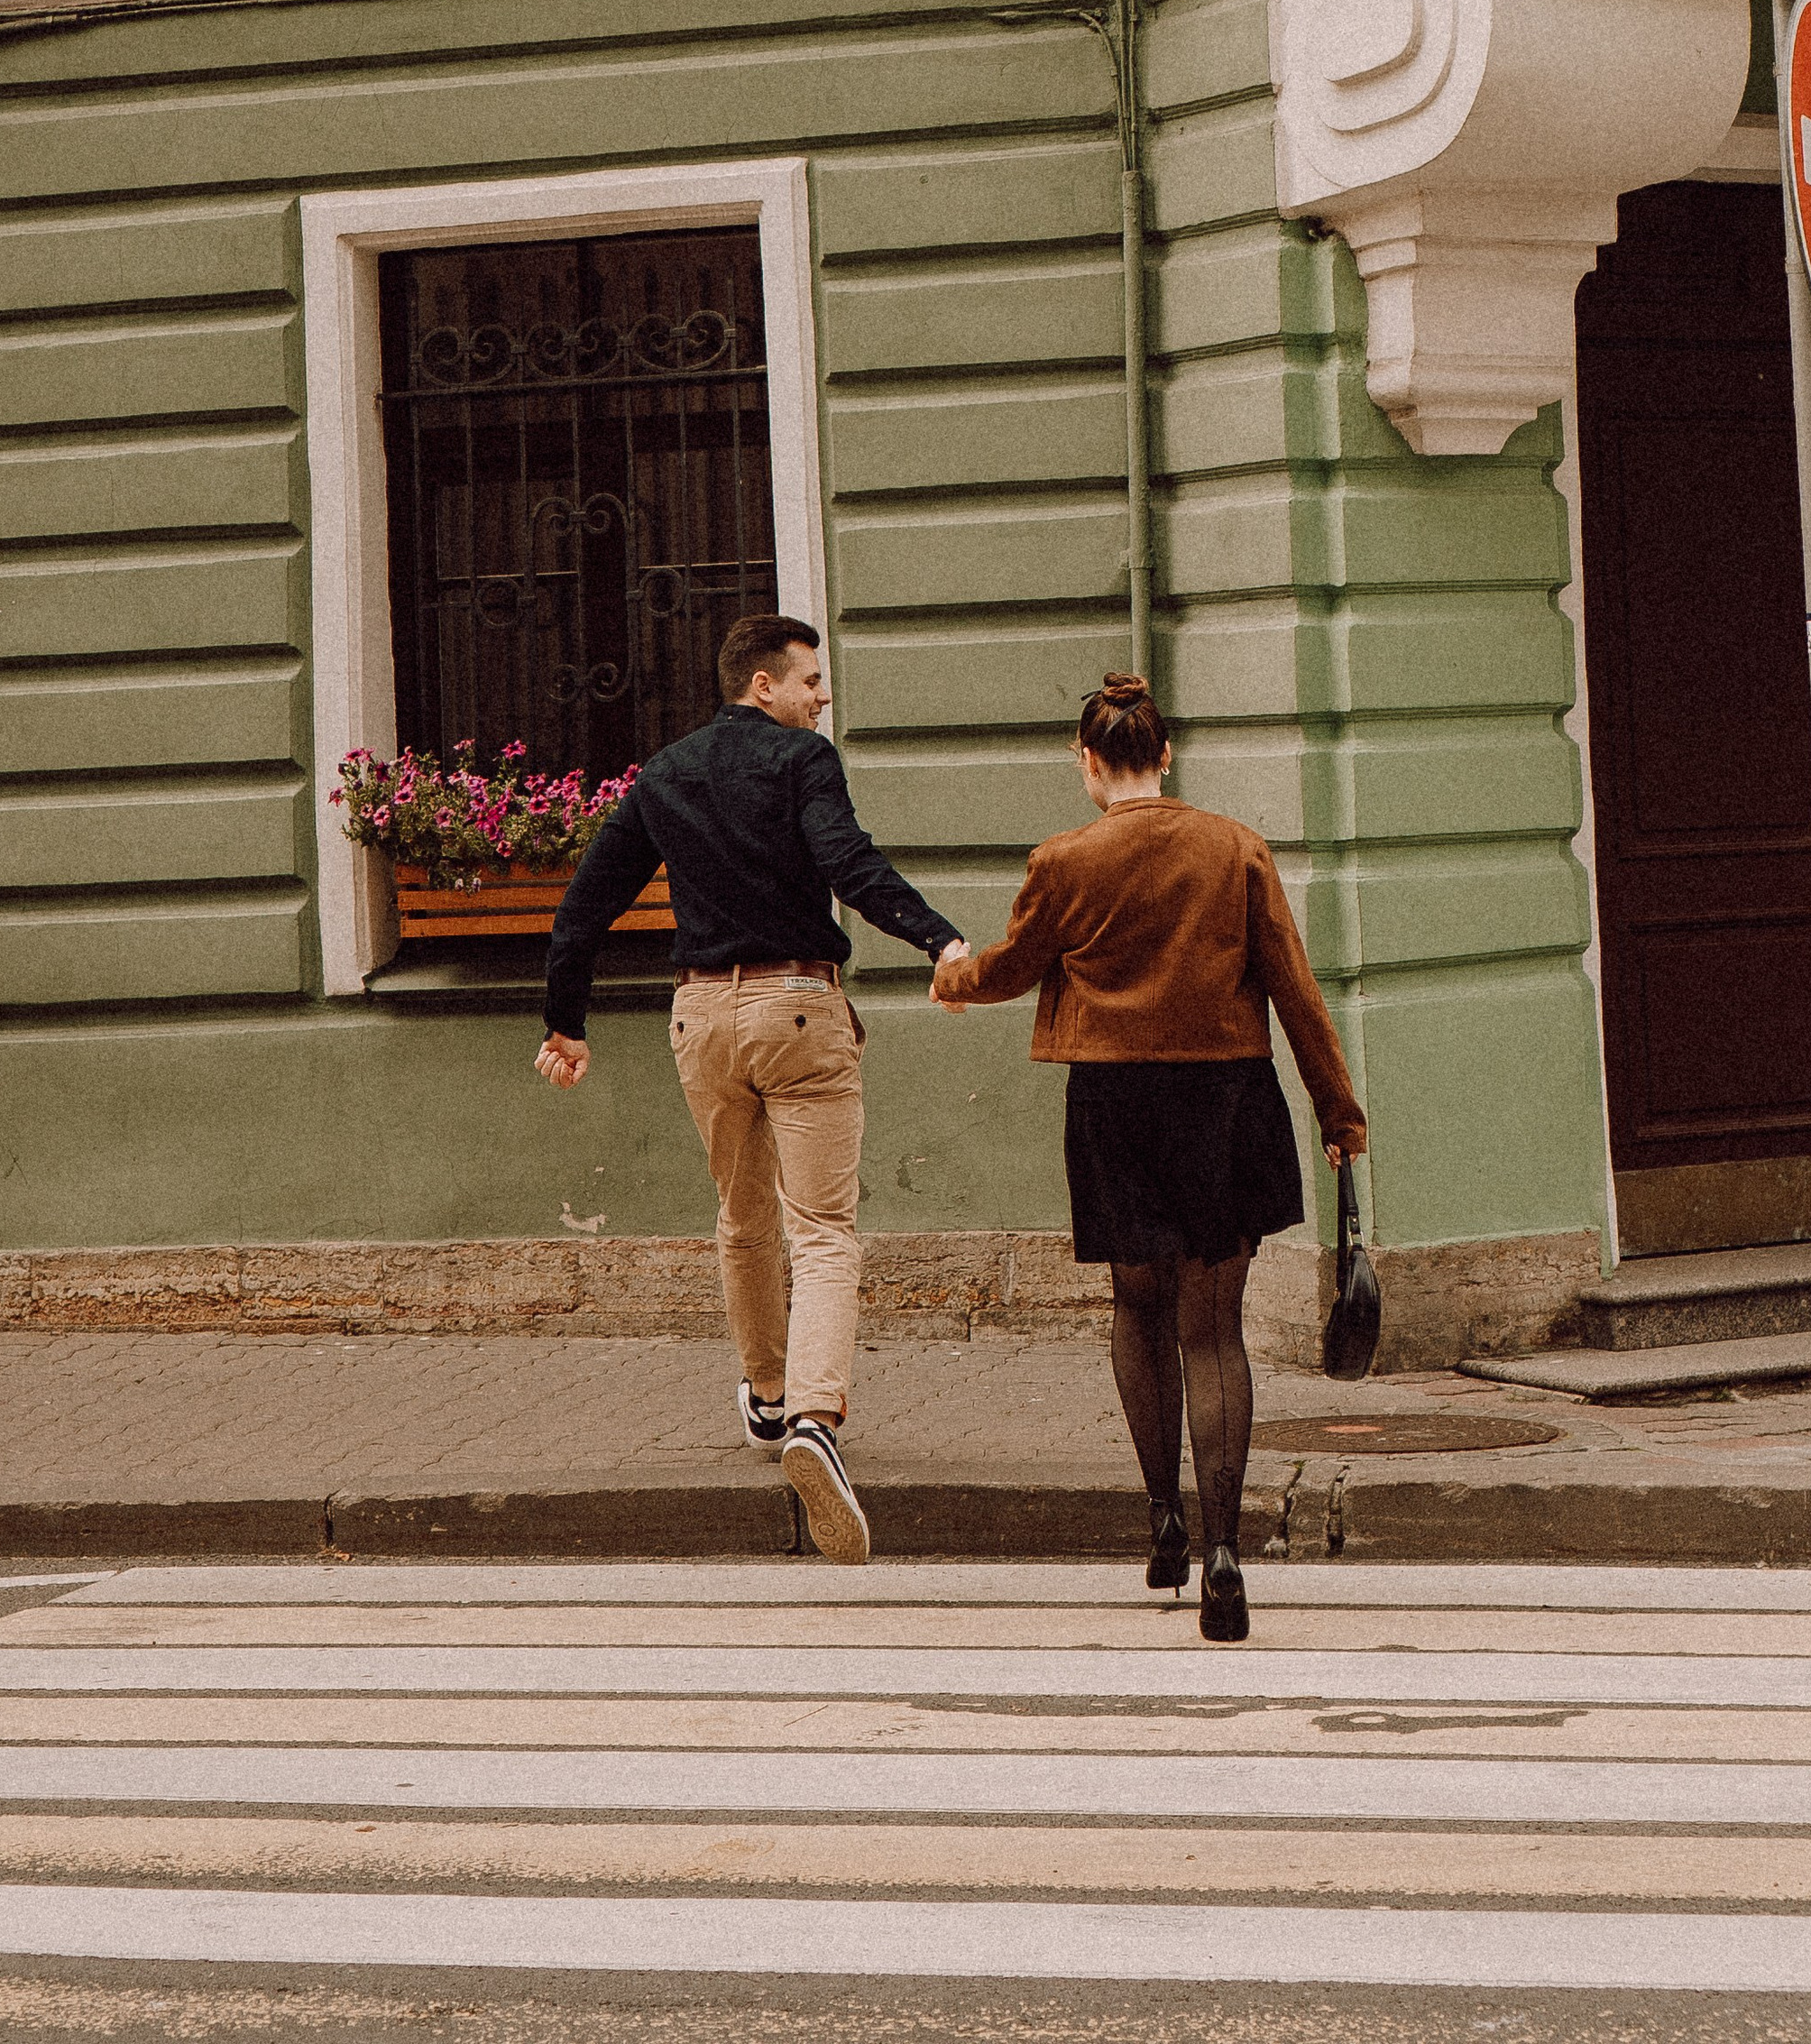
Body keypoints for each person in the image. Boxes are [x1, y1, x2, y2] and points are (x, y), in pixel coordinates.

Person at [930, 671, 1365, 1643]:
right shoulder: (1234, 848)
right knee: (1214, 1330)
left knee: (1138, 1305)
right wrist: (1338, 1111)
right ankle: (1223, 1553)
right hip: (1226, 1098)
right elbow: (1293, 986)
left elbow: (1012, 965)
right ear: (1165, 755)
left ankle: (1162, 1517)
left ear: (1088, 763)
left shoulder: (1063, 859)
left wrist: (952, 978)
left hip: (1115, 1102)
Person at [536, 612, 968, 1565]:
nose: (822, 696)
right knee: (820, 1229)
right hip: (798, 1007)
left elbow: (585, 906)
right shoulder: (801, 761)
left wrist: (565, 1022)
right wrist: (939, 939)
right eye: (810, 679)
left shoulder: (666, 772)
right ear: (763, 684)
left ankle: (767, 1401)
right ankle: (815, 1418)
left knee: (741, 1217)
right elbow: (847, 864)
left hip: (701, 1019)